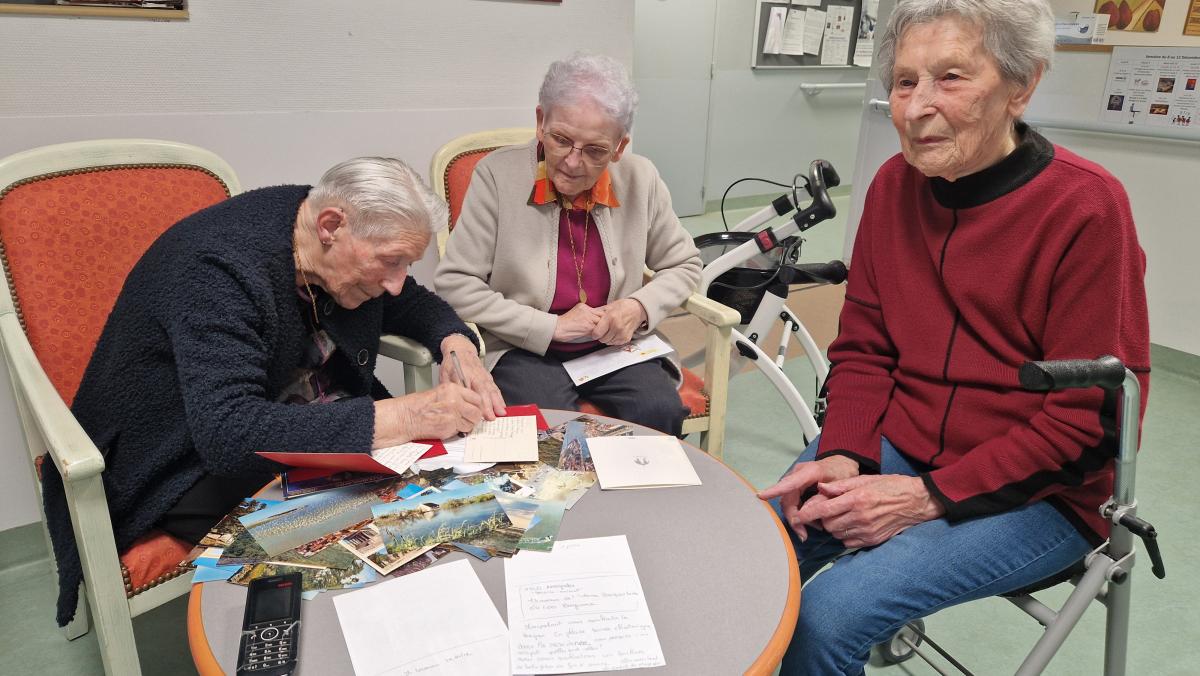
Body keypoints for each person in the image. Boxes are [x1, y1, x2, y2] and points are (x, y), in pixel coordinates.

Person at [756, 1, 1151, 673]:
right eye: (904, 82)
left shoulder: (1085, 208)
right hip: (902, 443)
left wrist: (924, 498)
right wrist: (844, 452)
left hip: (1042, 493)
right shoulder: (892, 187)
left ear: (1021, 86)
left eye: (951, 78)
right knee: (752, 549)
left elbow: (1088, 425)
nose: (916, 108)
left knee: (828, 617)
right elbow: (865, 348)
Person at [42, 157, 504, 626]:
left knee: (442, 499)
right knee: (370, 539)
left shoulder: (323, 227)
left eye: (406, 264)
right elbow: (230, 435)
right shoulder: (215, 268)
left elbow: (411, 301)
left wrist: (456, 343)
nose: (396, 282)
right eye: (391, 261)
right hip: (181, 458)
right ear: (330, 226)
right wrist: (405, 417)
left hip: (291, 419)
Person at [436, 53, 702, 435]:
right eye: (561, 140)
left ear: (619, 147)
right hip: (525, 348)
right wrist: (550, 327)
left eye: (595, 150)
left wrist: (637, 307)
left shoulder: (640, 178)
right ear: (540, 122)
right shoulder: (496, 176)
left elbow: (685, 264)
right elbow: (456, 283)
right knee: (554, 430)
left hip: (613, 348)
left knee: (657, 411)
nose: (573, 163)